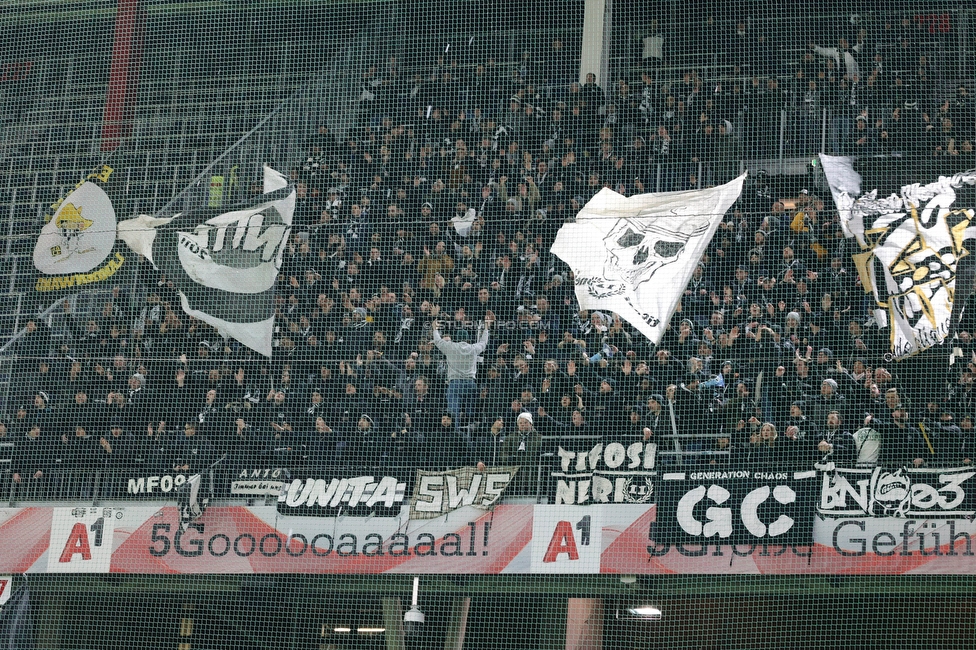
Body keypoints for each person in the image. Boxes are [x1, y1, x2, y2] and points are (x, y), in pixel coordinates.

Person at [431, 317, 491, 430]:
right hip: (470, 383)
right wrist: (486, 328)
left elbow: (438, 341)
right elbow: (483, 343)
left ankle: (455, 436)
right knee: (470, 414)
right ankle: (468, 437)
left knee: (453, 414)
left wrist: (435, 329)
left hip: (455, 384)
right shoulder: (473, 348)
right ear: (468, 339)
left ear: (456, 338)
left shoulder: (450, 346)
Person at [499, 411, 542, 497]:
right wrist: (509, 459)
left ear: (531, 424)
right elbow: (503, 453)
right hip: (514, 474)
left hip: (532, 474)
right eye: (520, 423)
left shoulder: (538, 438)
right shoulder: (510, 438)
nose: (522, 425)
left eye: (525, 422)